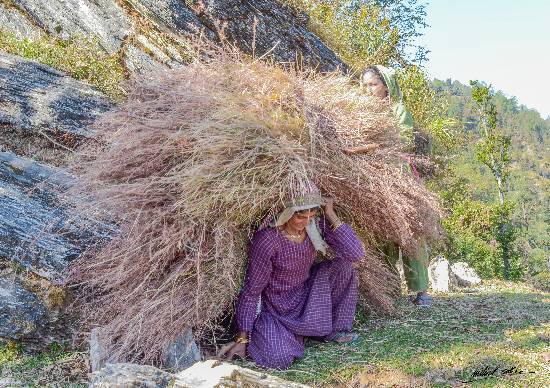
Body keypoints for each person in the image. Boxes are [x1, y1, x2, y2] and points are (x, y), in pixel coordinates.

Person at [219, 188, 365, 369]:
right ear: (286, 213)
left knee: (343, 267)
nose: (306, 222)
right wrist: (242, 338)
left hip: (305, 297)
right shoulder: (268, 240)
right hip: (276, 310)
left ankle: (332, 330)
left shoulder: (314, 227)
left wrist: (331, 214)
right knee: (278, 359)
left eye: (312, 215)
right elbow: (252, 289)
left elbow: (356, 254)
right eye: (300, 217)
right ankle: (293, 334)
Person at [346, 65, 432, 307]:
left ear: (386, 86)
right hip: (374, 179)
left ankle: (420, 289)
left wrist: (367, 147)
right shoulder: (361, 112)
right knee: (382, 232)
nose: (368, 89)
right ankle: (390, 289)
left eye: (372, 84)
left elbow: (402, 141)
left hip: (399, 176)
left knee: (410, 233)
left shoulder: (398, 110)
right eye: (364, 85)